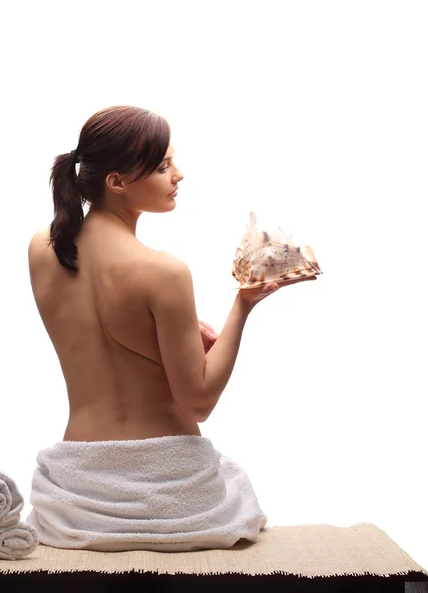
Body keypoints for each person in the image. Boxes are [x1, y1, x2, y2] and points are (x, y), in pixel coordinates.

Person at [25, 105, 316, 551]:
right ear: (116, 182)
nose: (178, 174)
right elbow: (198, 402)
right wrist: (243, 304)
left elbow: (105, 335)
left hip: (77, 492)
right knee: (237, 489)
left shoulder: (43, 248)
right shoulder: (163, 272)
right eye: (163, 166)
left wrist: (168, 332)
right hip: (170, 494)